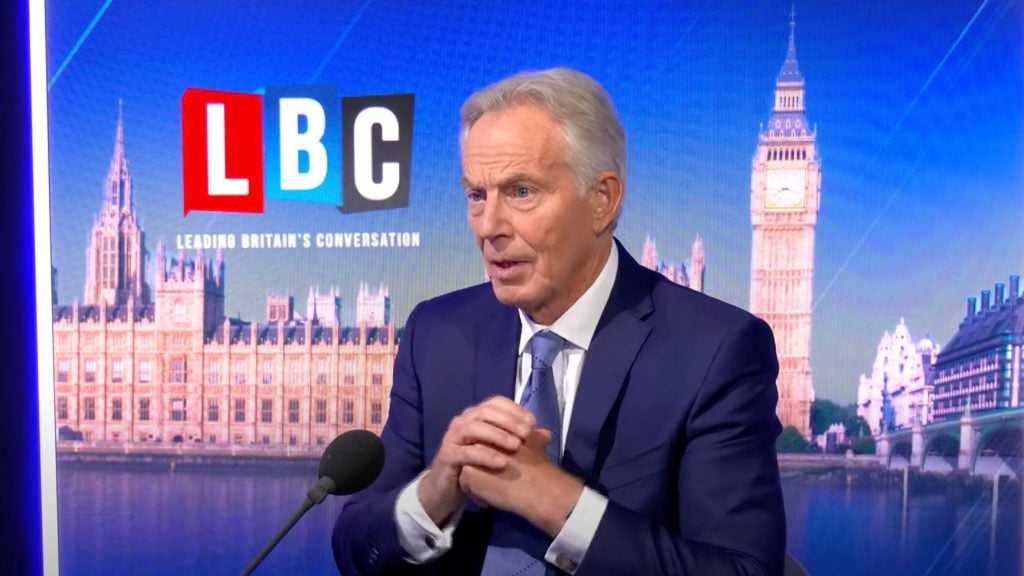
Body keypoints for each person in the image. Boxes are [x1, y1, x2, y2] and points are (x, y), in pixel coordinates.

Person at [332, 67, 786, 575]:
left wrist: (556, 503)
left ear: (602, 200)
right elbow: (354, 544)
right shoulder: (436, 333)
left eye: (521, 191)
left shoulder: (715, 349)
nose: (490, 227)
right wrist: (435, 492)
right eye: (477, 195)